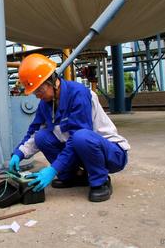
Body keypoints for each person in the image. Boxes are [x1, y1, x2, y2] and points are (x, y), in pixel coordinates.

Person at [9, 54, 130, 202]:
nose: (38, 96)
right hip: (82, 151)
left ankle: (100, 181)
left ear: (52, 81)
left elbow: (76, 138)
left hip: (112, 154)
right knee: (42, 136)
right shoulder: (46, 103)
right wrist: (18, 154)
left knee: (81, 137)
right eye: (35, 93)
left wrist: (53, 169)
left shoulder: (79, 94)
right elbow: (34, 132)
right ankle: (72, 176)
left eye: (39, 91)